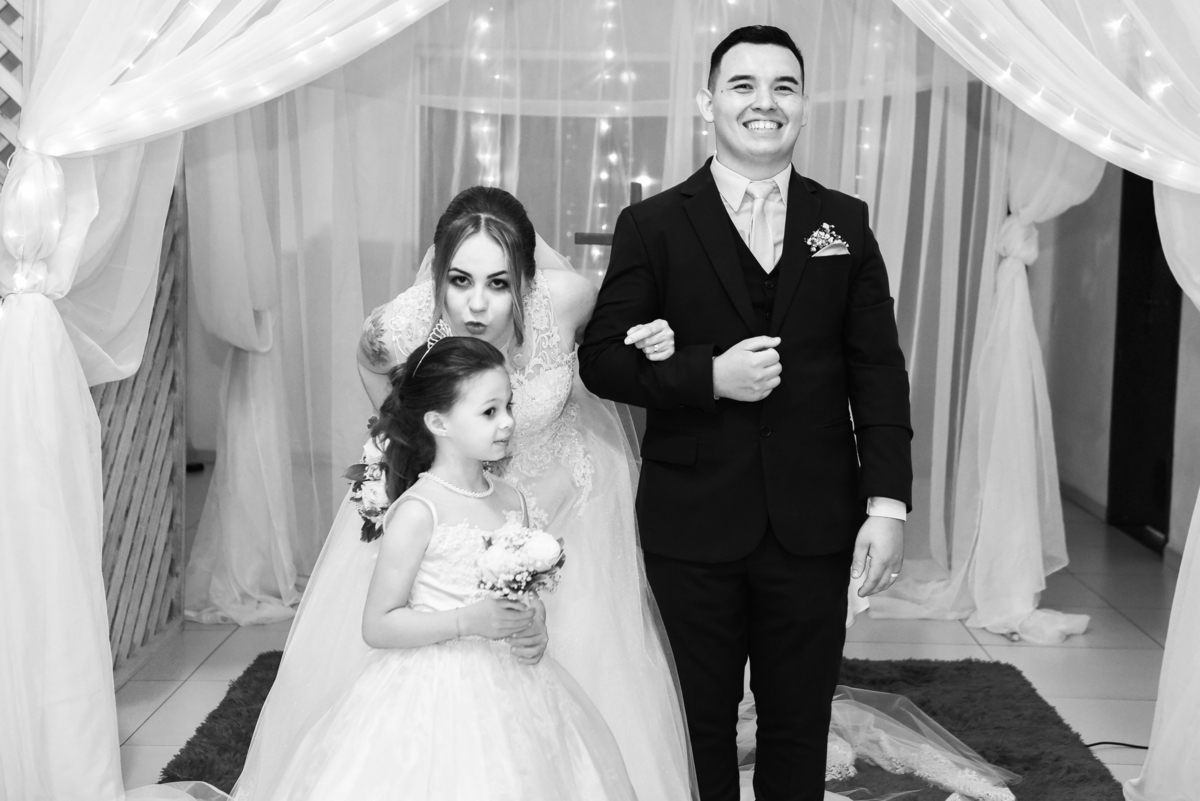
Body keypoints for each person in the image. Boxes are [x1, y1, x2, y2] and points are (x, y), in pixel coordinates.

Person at [230, 186, 694, 801]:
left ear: (526, 280)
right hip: (446, 510)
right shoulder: (403, 324)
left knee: (573, 676)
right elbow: (369, 360)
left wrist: (651, 337)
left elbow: (615, 341)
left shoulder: (568, 299)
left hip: (553, 507)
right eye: (459, 280)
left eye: (499, 284)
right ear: (438, 275)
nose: (476, 304)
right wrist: (413, 439)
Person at [579, 25, 913, 801]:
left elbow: (877, 369)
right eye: (743, 85)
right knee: (697, 722)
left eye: (783, 87)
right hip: (692, 521)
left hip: (814, 519)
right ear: (708, 103)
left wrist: (887, 505)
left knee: (798, 720)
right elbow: (602, 359)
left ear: (804, 104)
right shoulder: (653, 225)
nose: (765, 103)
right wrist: (709, 374)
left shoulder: (845, 223)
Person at [259, 336, 638, 800]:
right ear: (438, 422)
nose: (507, 422)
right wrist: (466, 621)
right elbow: (378, 624)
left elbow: (523, 594)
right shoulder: (419, 510)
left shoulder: (511, 499)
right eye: (489, 412)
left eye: (508, 406)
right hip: (430, 690)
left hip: (515, 686)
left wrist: (534, 623)